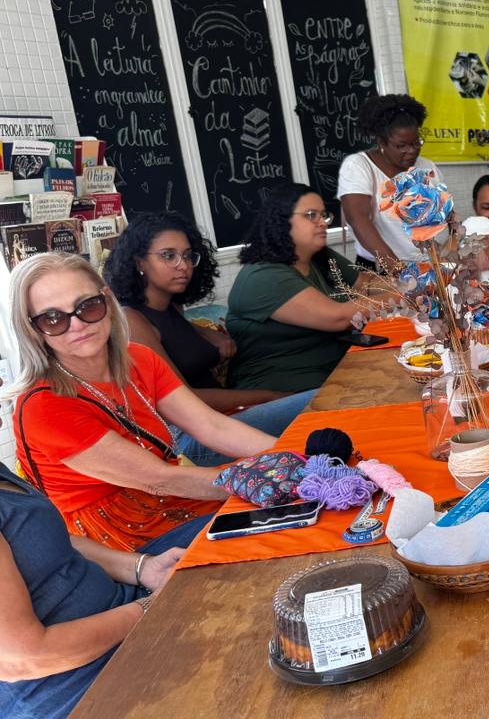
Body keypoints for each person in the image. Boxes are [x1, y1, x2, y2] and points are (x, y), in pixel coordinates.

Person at [8, 253, 276, 552]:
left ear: (107, 302)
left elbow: (211, 426)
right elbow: (157, 480)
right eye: (53, 318)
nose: (77, 324)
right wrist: (262, 477)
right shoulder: (43, 405)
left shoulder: (139, 359)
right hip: (117, 542)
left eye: (87, 306)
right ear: (34, 330)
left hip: (173, 499)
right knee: (273, 524)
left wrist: (292, 457)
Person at [103, 213, 315, 466]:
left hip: (220, 419)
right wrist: (269, 396)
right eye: (168, 255)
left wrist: (204, 332)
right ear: (139, 261)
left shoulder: (169, 306)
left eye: (188, 255)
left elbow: (173, 332)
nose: (183, 265)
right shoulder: (132, 320)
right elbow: (187, 400)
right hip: (193, 438)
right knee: (316, 401)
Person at [0, 461, 182, 719]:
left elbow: (60, 542)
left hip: (127, 618)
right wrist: (148, 608)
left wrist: (142, 568)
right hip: (78, 686)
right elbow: (25, 658)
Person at [228, 184, 388, 393]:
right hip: (282, 390)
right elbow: (338, 318)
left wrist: (420, 283)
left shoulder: (319, 256)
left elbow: (365, 284)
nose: (323, 223)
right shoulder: (263, 276)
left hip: (335, 370)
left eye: (324, 215)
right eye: (311, 215)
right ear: (281, 221)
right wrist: (407, 295)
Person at [338, 94, 445, 267]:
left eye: (416, 143)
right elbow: (357, 218)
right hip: (385, 270)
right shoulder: (358, 166)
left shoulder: (427, 166)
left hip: (433, 267)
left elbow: (446, 213)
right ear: (382, 142)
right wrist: (397, 268)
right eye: (401, 146)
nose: (411, 151)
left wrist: (451, 252)